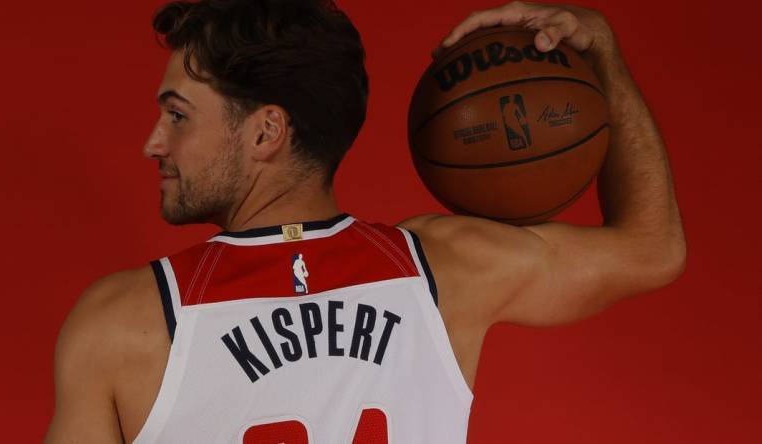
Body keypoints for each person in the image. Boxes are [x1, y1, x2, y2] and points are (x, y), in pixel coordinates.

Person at [44, 1, 686, 442]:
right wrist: (599, 51)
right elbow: (653, 248)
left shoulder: (123, 322)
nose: (154, 142)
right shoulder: (447, 268)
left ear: (266, 130)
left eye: (179, 115)